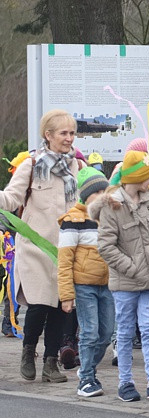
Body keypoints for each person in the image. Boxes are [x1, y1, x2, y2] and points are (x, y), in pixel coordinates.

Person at [0, 109, 84, 383]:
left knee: (61, 307)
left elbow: (85, 203)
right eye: (63, 133)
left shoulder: (76, 166)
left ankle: (51, 363)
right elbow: (12, 198)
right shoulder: (31, 164)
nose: (69, 138)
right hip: (35, 247)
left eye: (72, 133)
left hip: (66, 249)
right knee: (38, 305)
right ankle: (28, 351)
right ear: (48, 135)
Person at [94, 151, 149, 403]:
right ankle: (125, 382)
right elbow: (106, 246)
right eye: (147, 175)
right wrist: (132, 267)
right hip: (126, 282)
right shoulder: (111, 205)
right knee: (125, 331)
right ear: (137, 176)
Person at [57, 167, 113, 397]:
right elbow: (65, 260)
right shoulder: (73, 220)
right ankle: (87, 379)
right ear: (85, 194)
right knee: (89, 332)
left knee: (107, 333)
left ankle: (87, 368)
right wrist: (66, 294)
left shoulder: (109, 217)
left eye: (104, 190)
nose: (101, 195)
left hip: (108, 285)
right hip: (84, 286)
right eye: (96, 191)